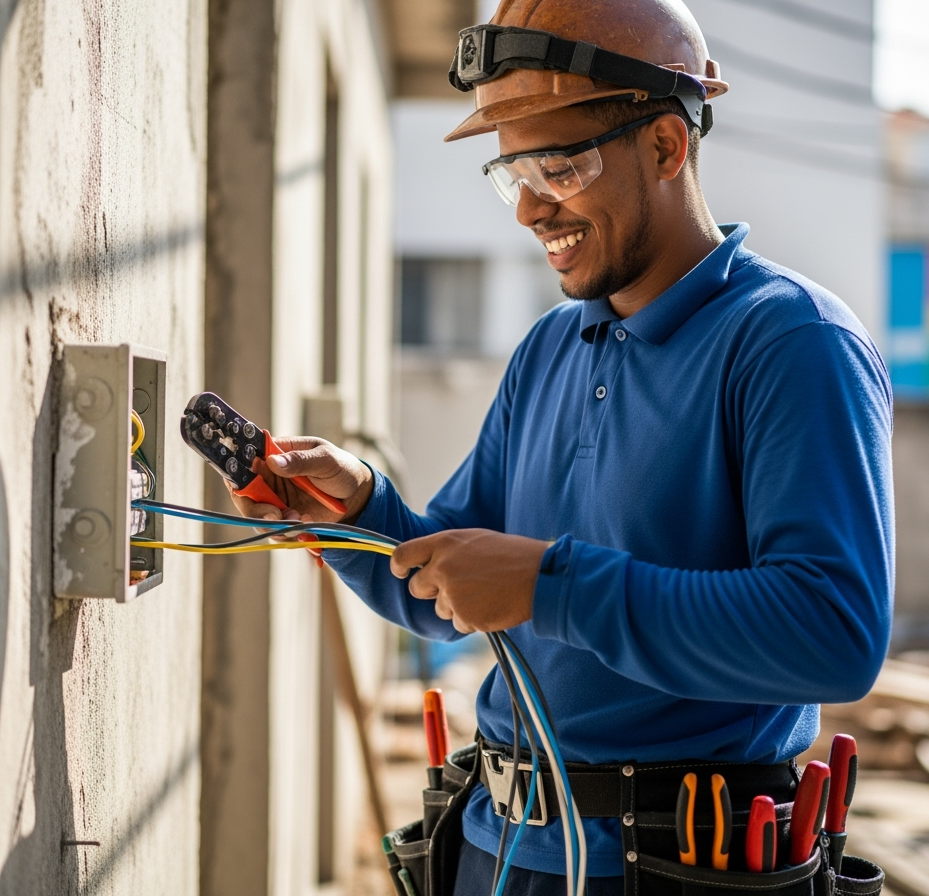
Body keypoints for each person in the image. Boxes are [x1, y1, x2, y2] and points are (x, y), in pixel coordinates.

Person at [232, 1, 893, 892]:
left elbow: (833, 635)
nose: (532, 208)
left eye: (559, 164)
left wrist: (554, 587)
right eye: (513, 173)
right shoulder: (550, 349)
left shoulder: (790, 344)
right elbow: (451, 596)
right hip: (496, 849)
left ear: (667, 146)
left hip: (675, 866)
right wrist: (359, 513)